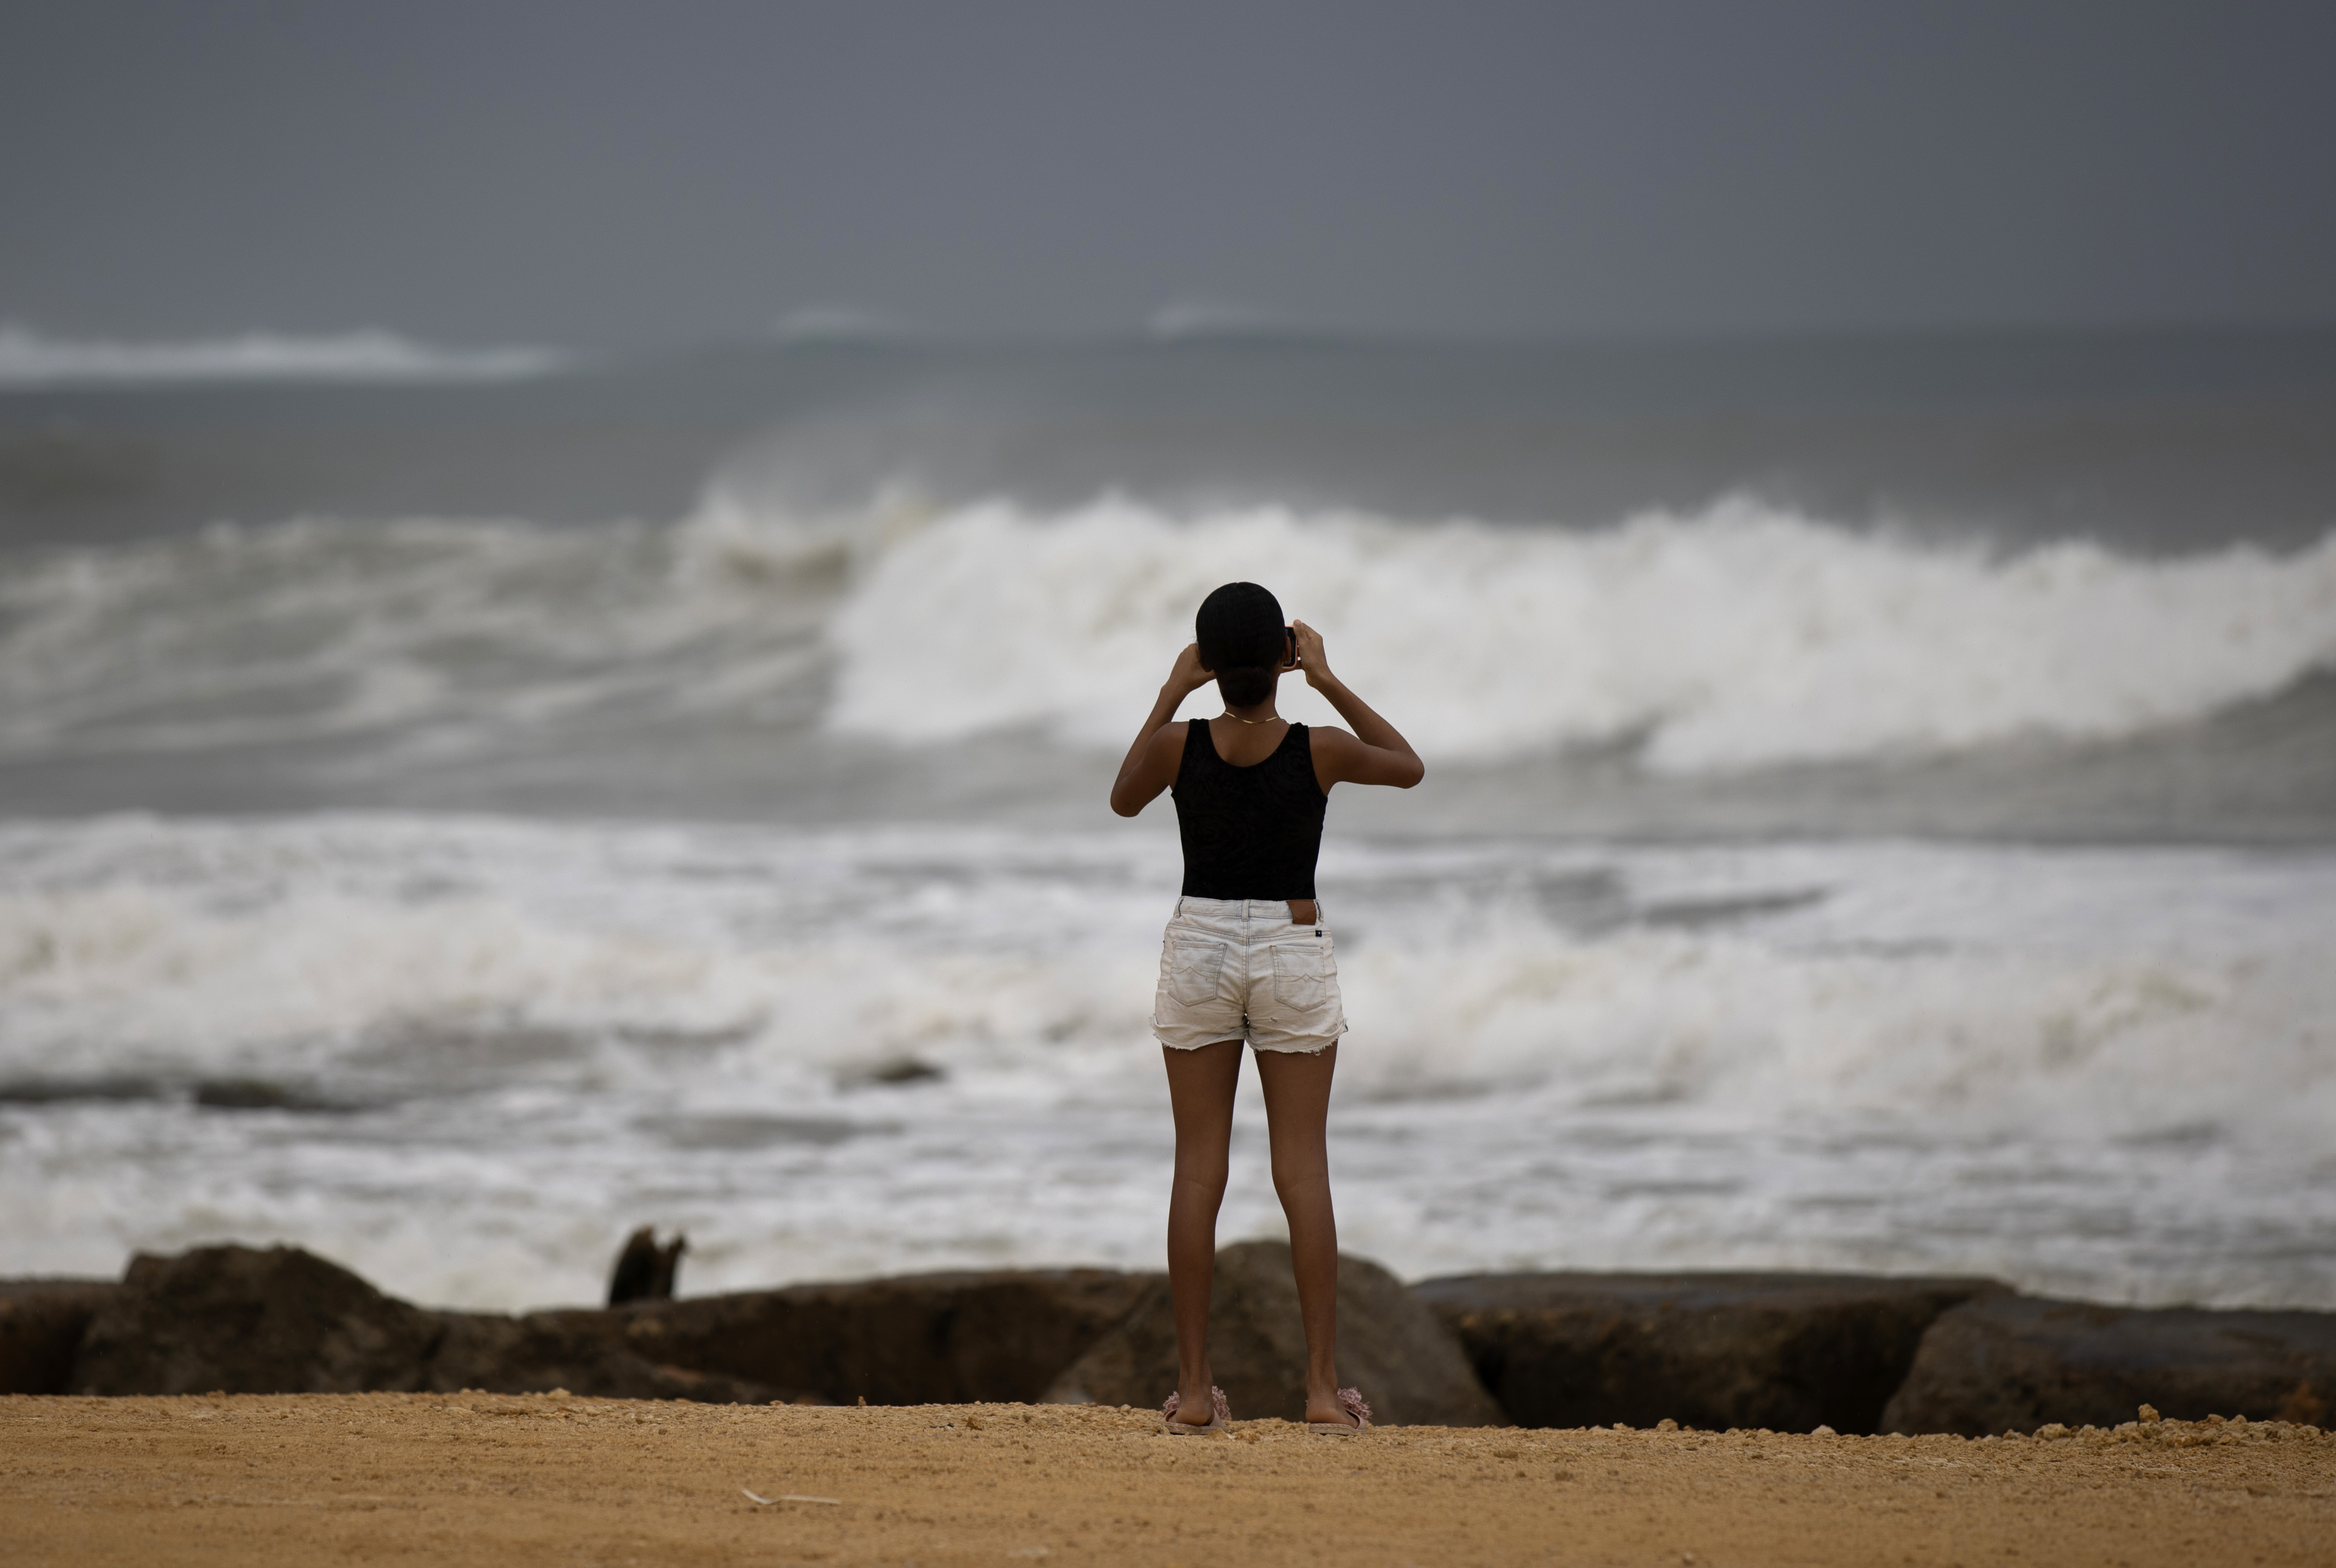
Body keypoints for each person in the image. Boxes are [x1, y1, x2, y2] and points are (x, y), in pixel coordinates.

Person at [1109, 581, 1424, 1434]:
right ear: (1282, 657)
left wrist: (1173, 692)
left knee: (1198, 1171)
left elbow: (1123, 796)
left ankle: (1196, 1392)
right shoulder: (1317, 749)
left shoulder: (1180, 746)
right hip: (1291, 944)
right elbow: (1407, 764)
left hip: (1202, 944)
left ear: (1210, 663)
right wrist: (1326, 678)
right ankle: (1321, 1391)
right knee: (1303, 1171)